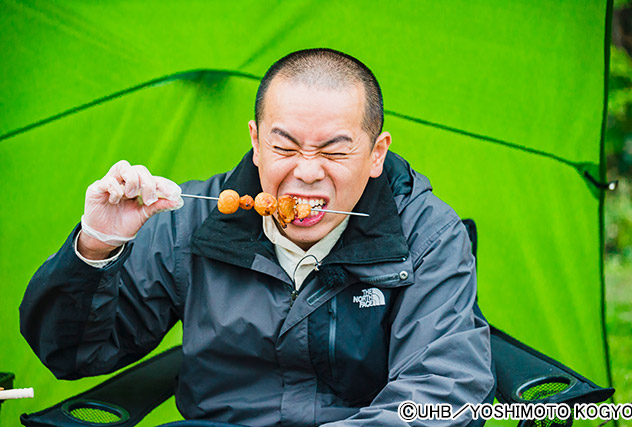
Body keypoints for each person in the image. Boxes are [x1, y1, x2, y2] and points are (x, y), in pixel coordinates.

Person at [20, 48, 494, 426]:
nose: (306, 172)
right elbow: (71, 354)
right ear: (255, 140)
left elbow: (445, 389)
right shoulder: (186, 220)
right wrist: (98, 246)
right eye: (284, 146)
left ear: (376, 153)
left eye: (334, 150)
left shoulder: (427, 234)